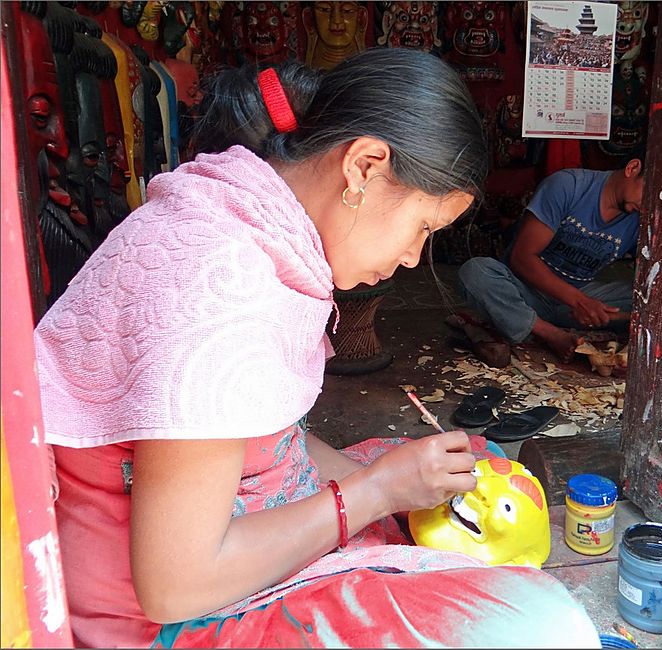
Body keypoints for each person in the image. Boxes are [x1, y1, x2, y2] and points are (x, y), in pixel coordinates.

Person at [34, 49, 601, 648]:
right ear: (363, 167)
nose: (413, 257)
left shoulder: (248, 222)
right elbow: (176, 586)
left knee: (466, 463)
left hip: (219, 521)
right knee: (540, 628)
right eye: (423, 228)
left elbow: (261, 433)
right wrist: (375, 492)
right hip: (173, 617)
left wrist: (389, 487)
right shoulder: (221, 290)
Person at [458, 159, 645, 362]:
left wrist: (599, 310)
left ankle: (524, 324)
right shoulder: (568, 186)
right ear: (632, 168)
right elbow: (522, 258)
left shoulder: (640, 218)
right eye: (648, 191)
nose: (647, 205)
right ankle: (550, 334)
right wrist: (580, 301)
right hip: (526, 294)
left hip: (575, 306)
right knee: (475, 272)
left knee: (648, 299)